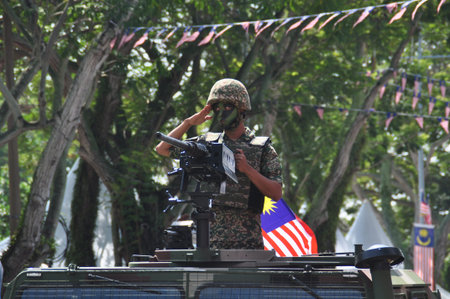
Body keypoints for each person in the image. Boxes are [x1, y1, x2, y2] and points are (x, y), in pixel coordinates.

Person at [155, 78, 282, 249]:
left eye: (228, 107)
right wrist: (188, 123)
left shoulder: (261, 147)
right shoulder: (207, 144)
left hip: (248, 242)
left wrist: (248, 170)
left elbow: (276, 193)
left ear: (241, 109)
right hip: (211, 240)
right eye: (217, 107)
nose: (222, 112)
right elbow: (162, 148)